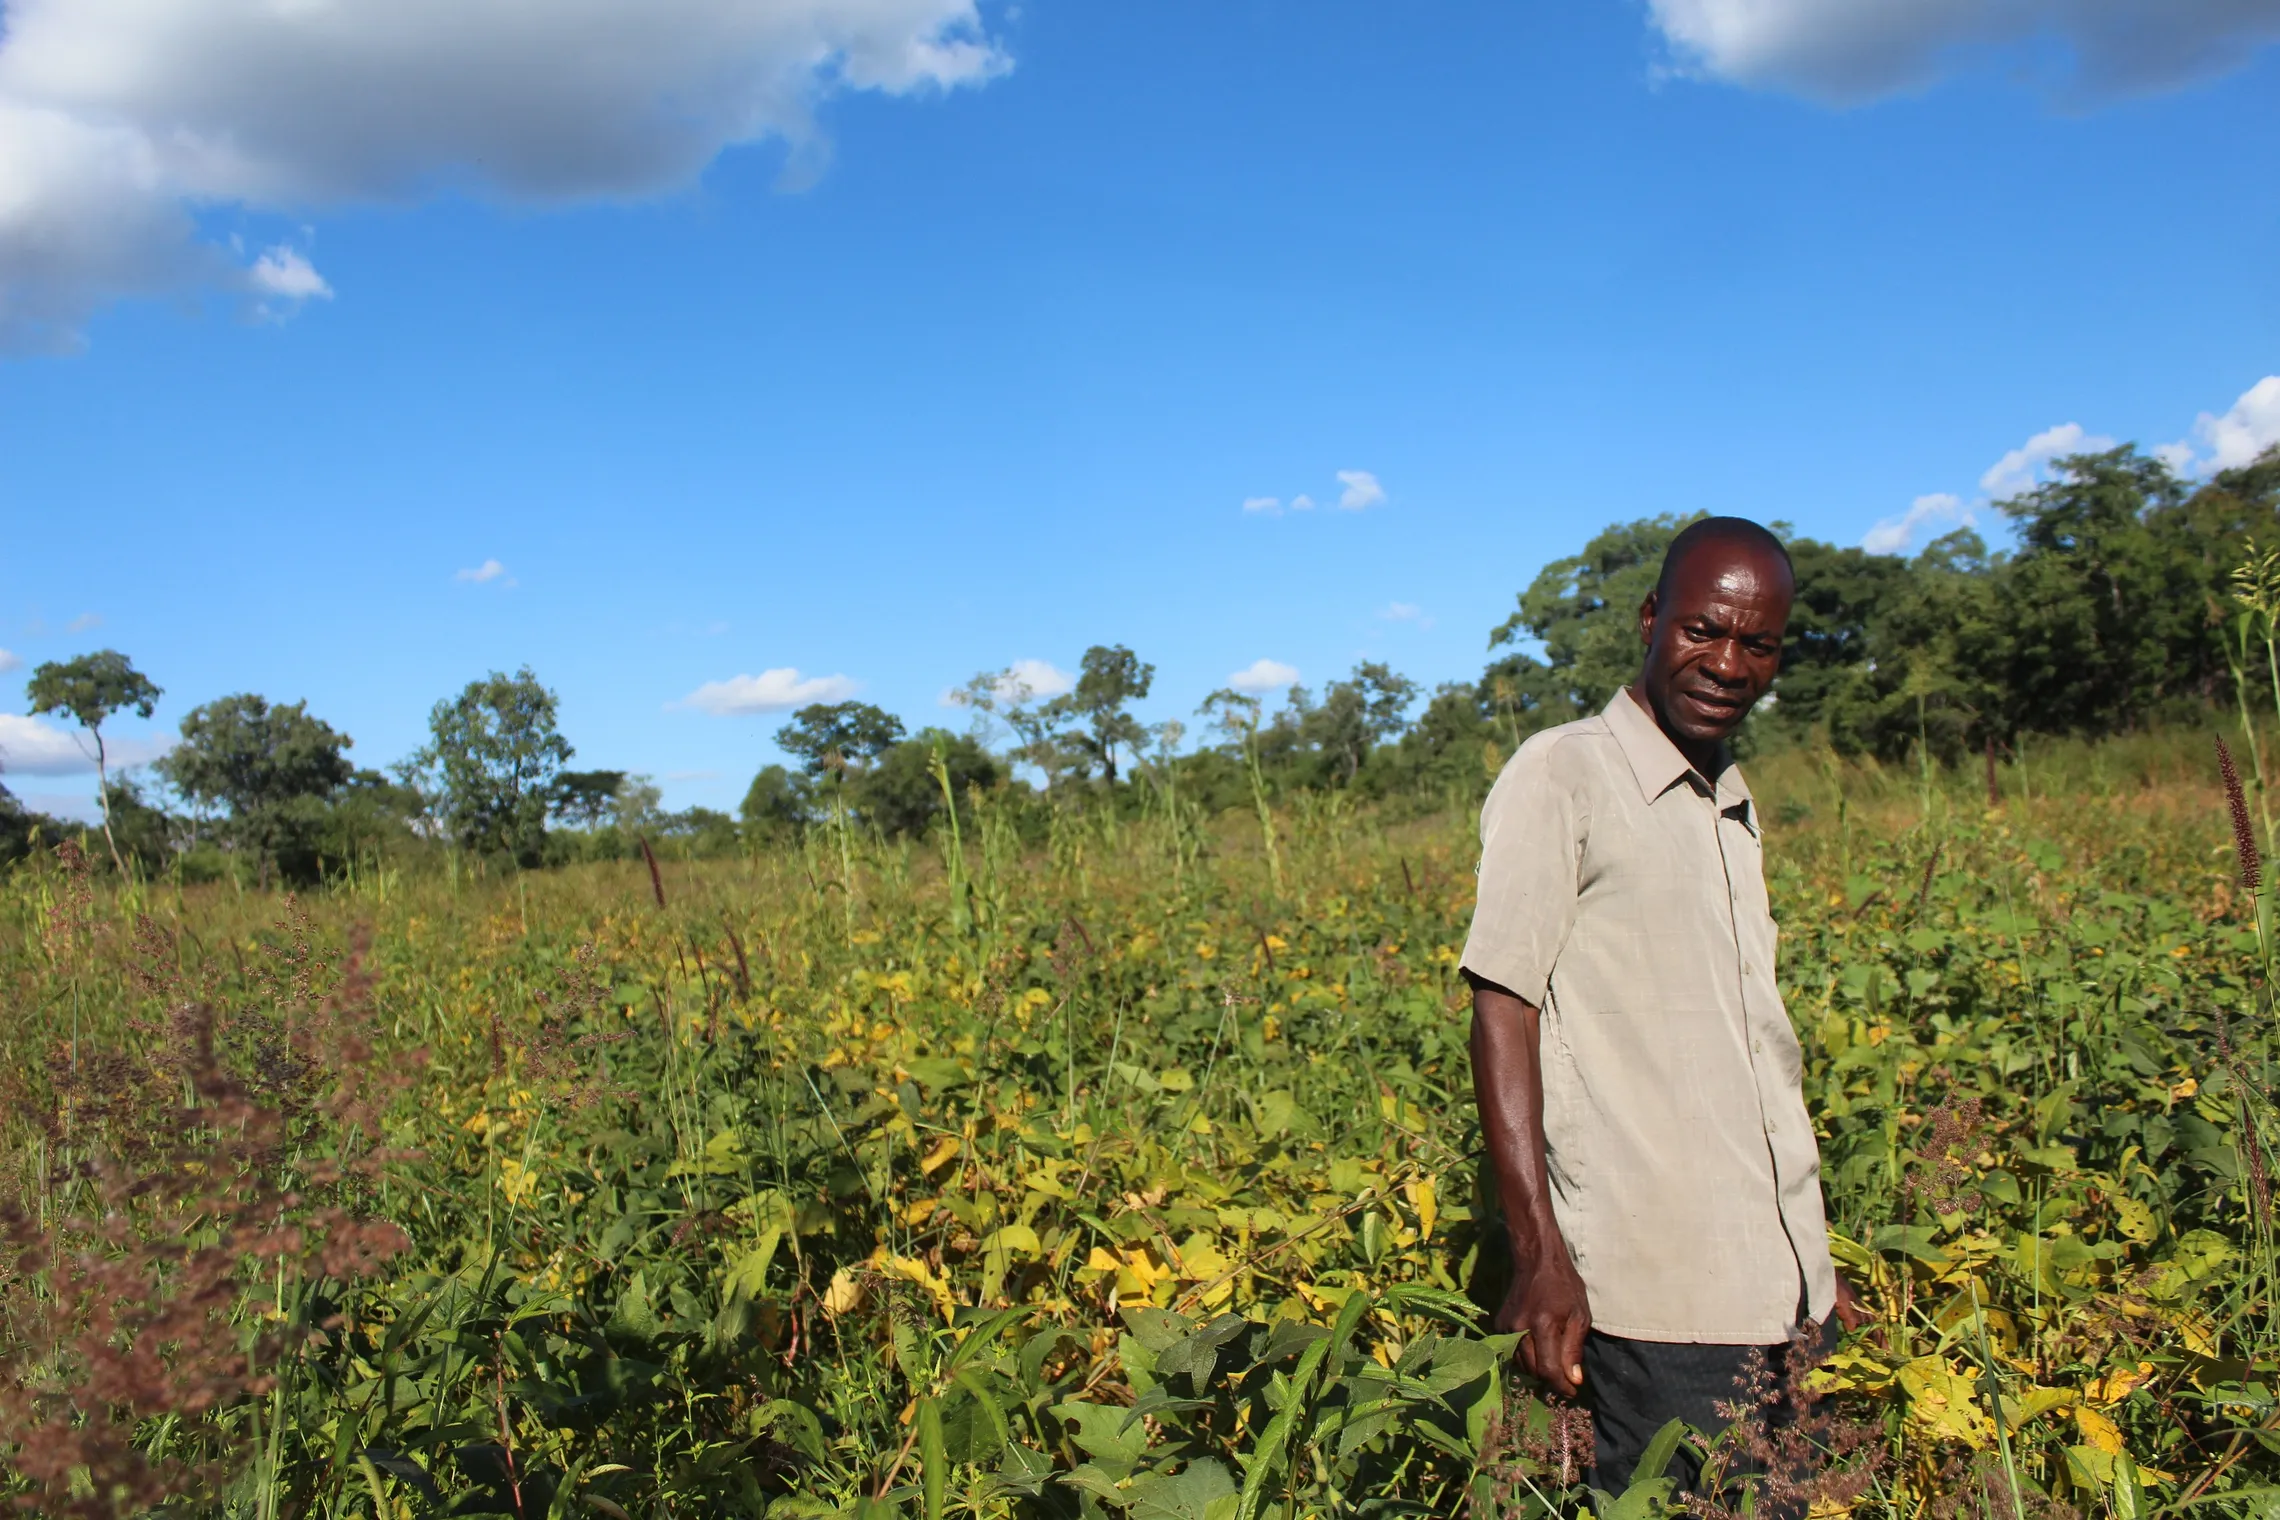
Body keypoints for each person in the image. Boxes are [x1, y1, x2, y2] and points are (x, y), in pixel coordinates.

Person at [1461, 516, 1865, 1496]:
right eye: (1702, 630)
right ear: (1650, 618)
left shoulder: (1728, 800)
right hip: (1657, 1297)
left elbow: (1749, 1057)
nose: (1727, 661)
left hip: (1779, 1297)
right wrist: (1539, 1256)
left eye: (1756, 643)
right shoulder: (1567, 772)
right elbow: (1500, 1007)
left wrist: (1812, 1265)